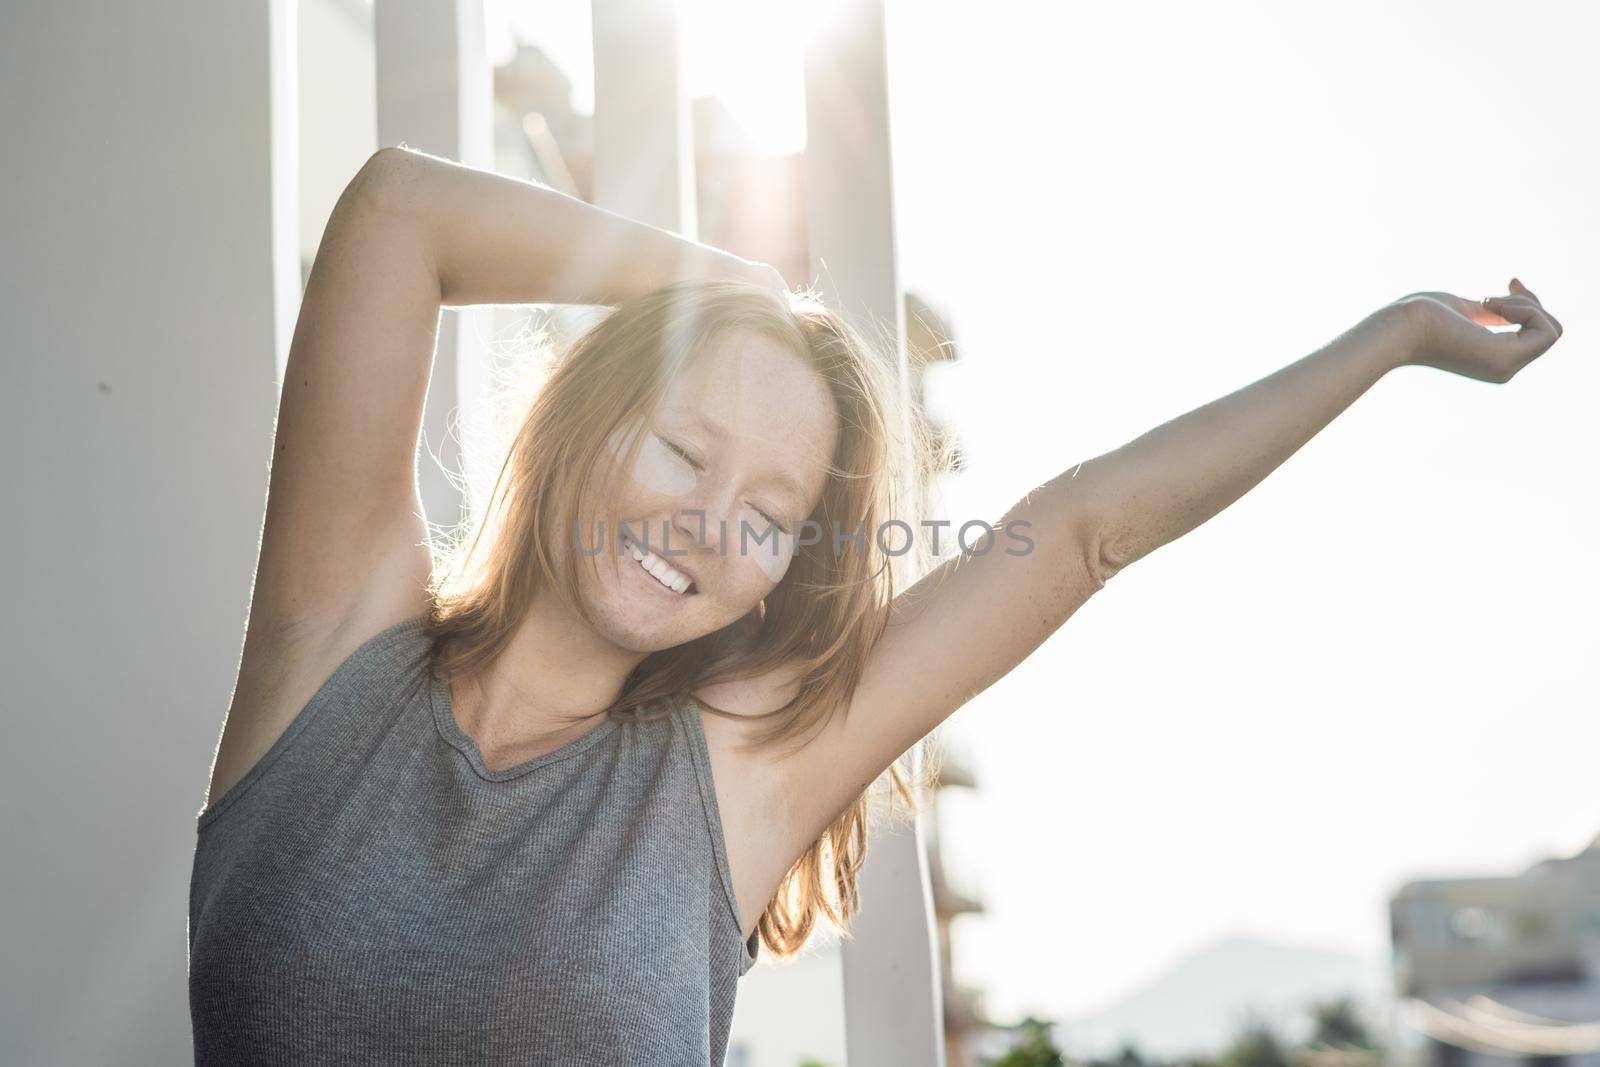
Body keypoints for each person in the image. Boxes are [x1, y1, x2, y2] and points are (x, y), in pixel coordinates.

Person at [187, 146, 1564, 1065]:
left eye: (770, 515)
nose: (704, 524)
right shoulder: (334, 647)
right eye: (680, 449)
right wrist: (722, 287)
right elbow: (396, 217)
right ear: (578, 428)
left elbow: (1083, 531)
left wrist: (1393, 341)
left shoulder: (733, 778)